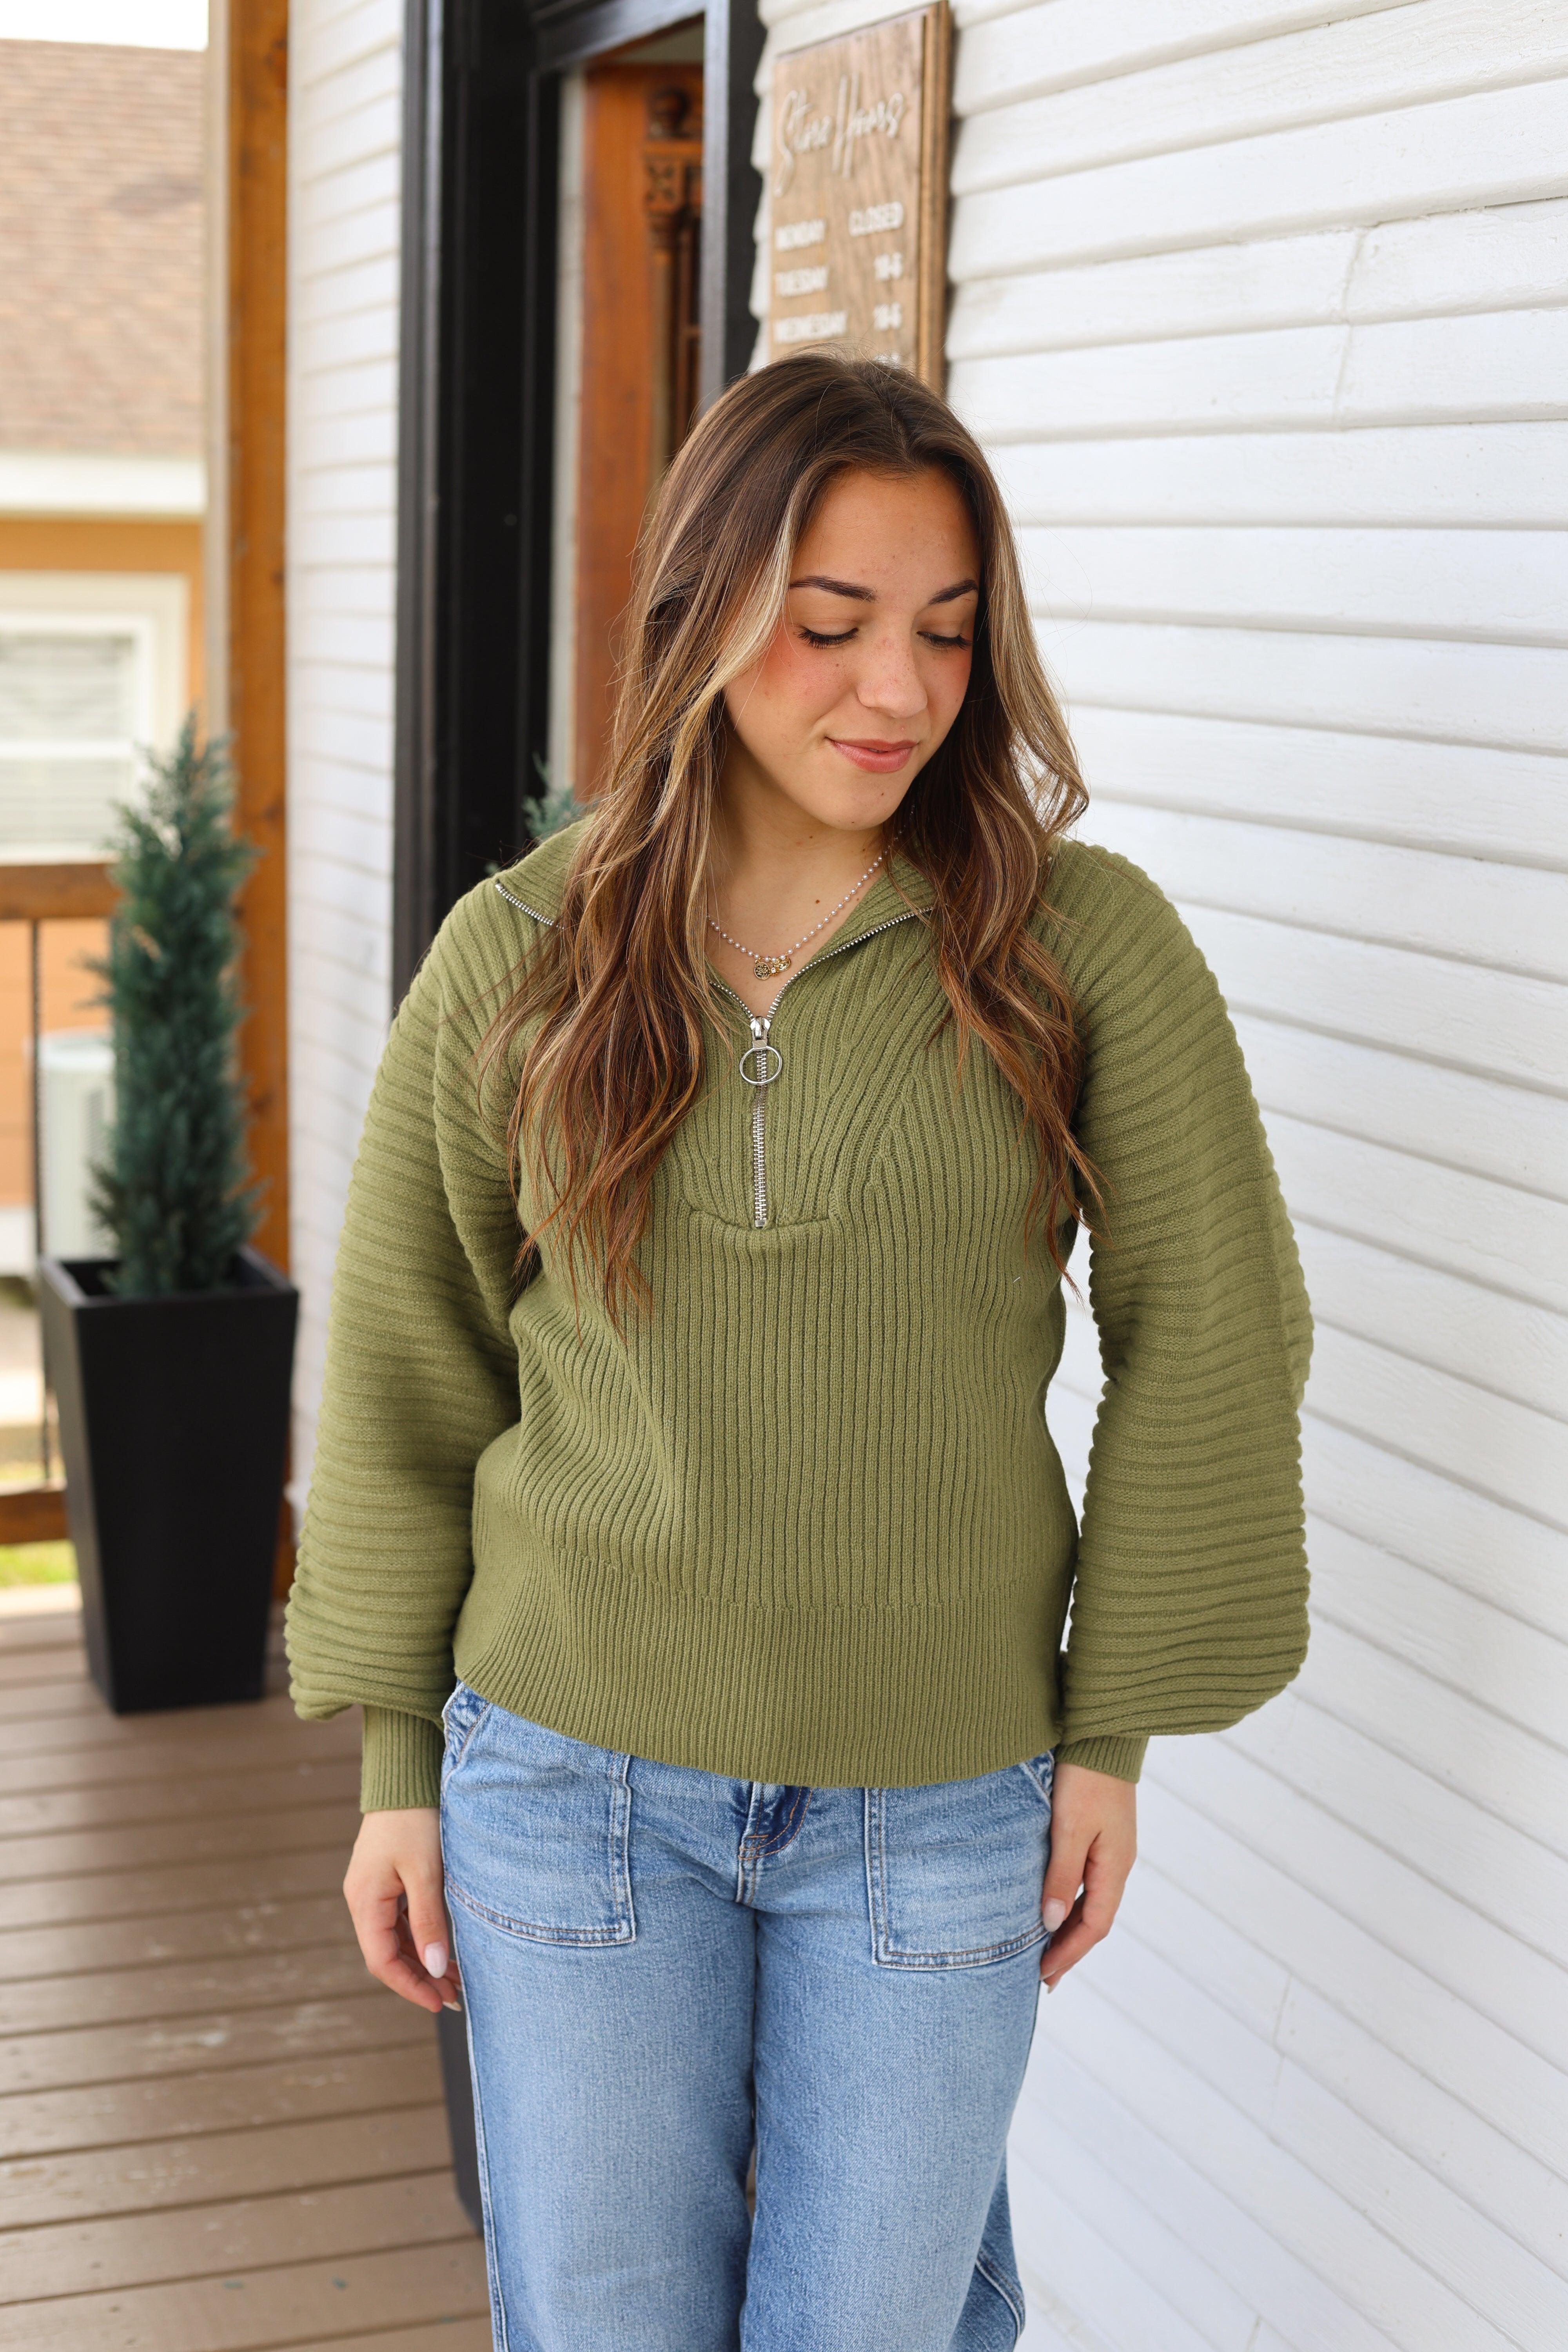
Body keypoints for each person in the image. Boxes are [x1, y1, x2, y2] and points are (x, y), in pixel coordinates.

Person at [286, 351, 1311, 2351]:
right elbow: (414, 1374)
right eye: (829, 624)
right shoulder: (521, 955)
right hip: (567, 1780)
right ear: (705, 614)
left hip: (939, 1804)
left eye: (945, 630)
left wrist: (1109, 1732)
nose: (895, 689)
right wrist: (400, 1767)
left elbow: (1214, 1330)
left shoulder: (1082, 948)